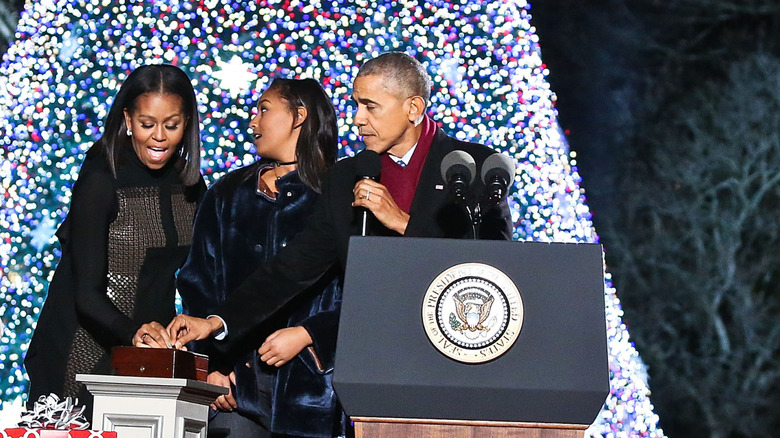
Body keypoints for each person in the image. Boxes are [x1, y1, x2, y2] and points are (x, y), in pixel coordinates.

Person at [163, 51, 512, 363]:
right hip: (374, 358)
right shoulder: (347, 175)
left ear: (414, 109)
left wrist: (403, 222)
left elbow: (497, 267)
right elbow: (295, 265)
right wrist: (217, 321)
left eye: (370, 106)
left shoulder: (472, 167)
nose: (358, 118)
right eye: (356, 104)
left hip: (460, 353)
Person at [23, 64, 205, 416]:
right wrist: (135, 333)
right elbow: (85, 293)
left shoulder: (194, 188)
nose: (159, 137)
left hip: (148, 357)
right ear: (127, 119)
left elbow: (190, 278)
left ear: (187, 123)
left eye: (172, 125)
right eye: (146, 124)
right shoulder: (102, 181)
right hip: (81, 350)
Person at [174, 78, 346, 438]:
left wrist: (309, 337)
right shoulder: (226, 194)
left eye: (264, 109)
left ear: (298, 116)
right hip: (235, 389)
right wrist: (211, 367)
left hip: (310, 394)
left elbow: (363, 296)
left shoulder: (338, 197)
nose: (253, 122)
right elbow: (198, 283)